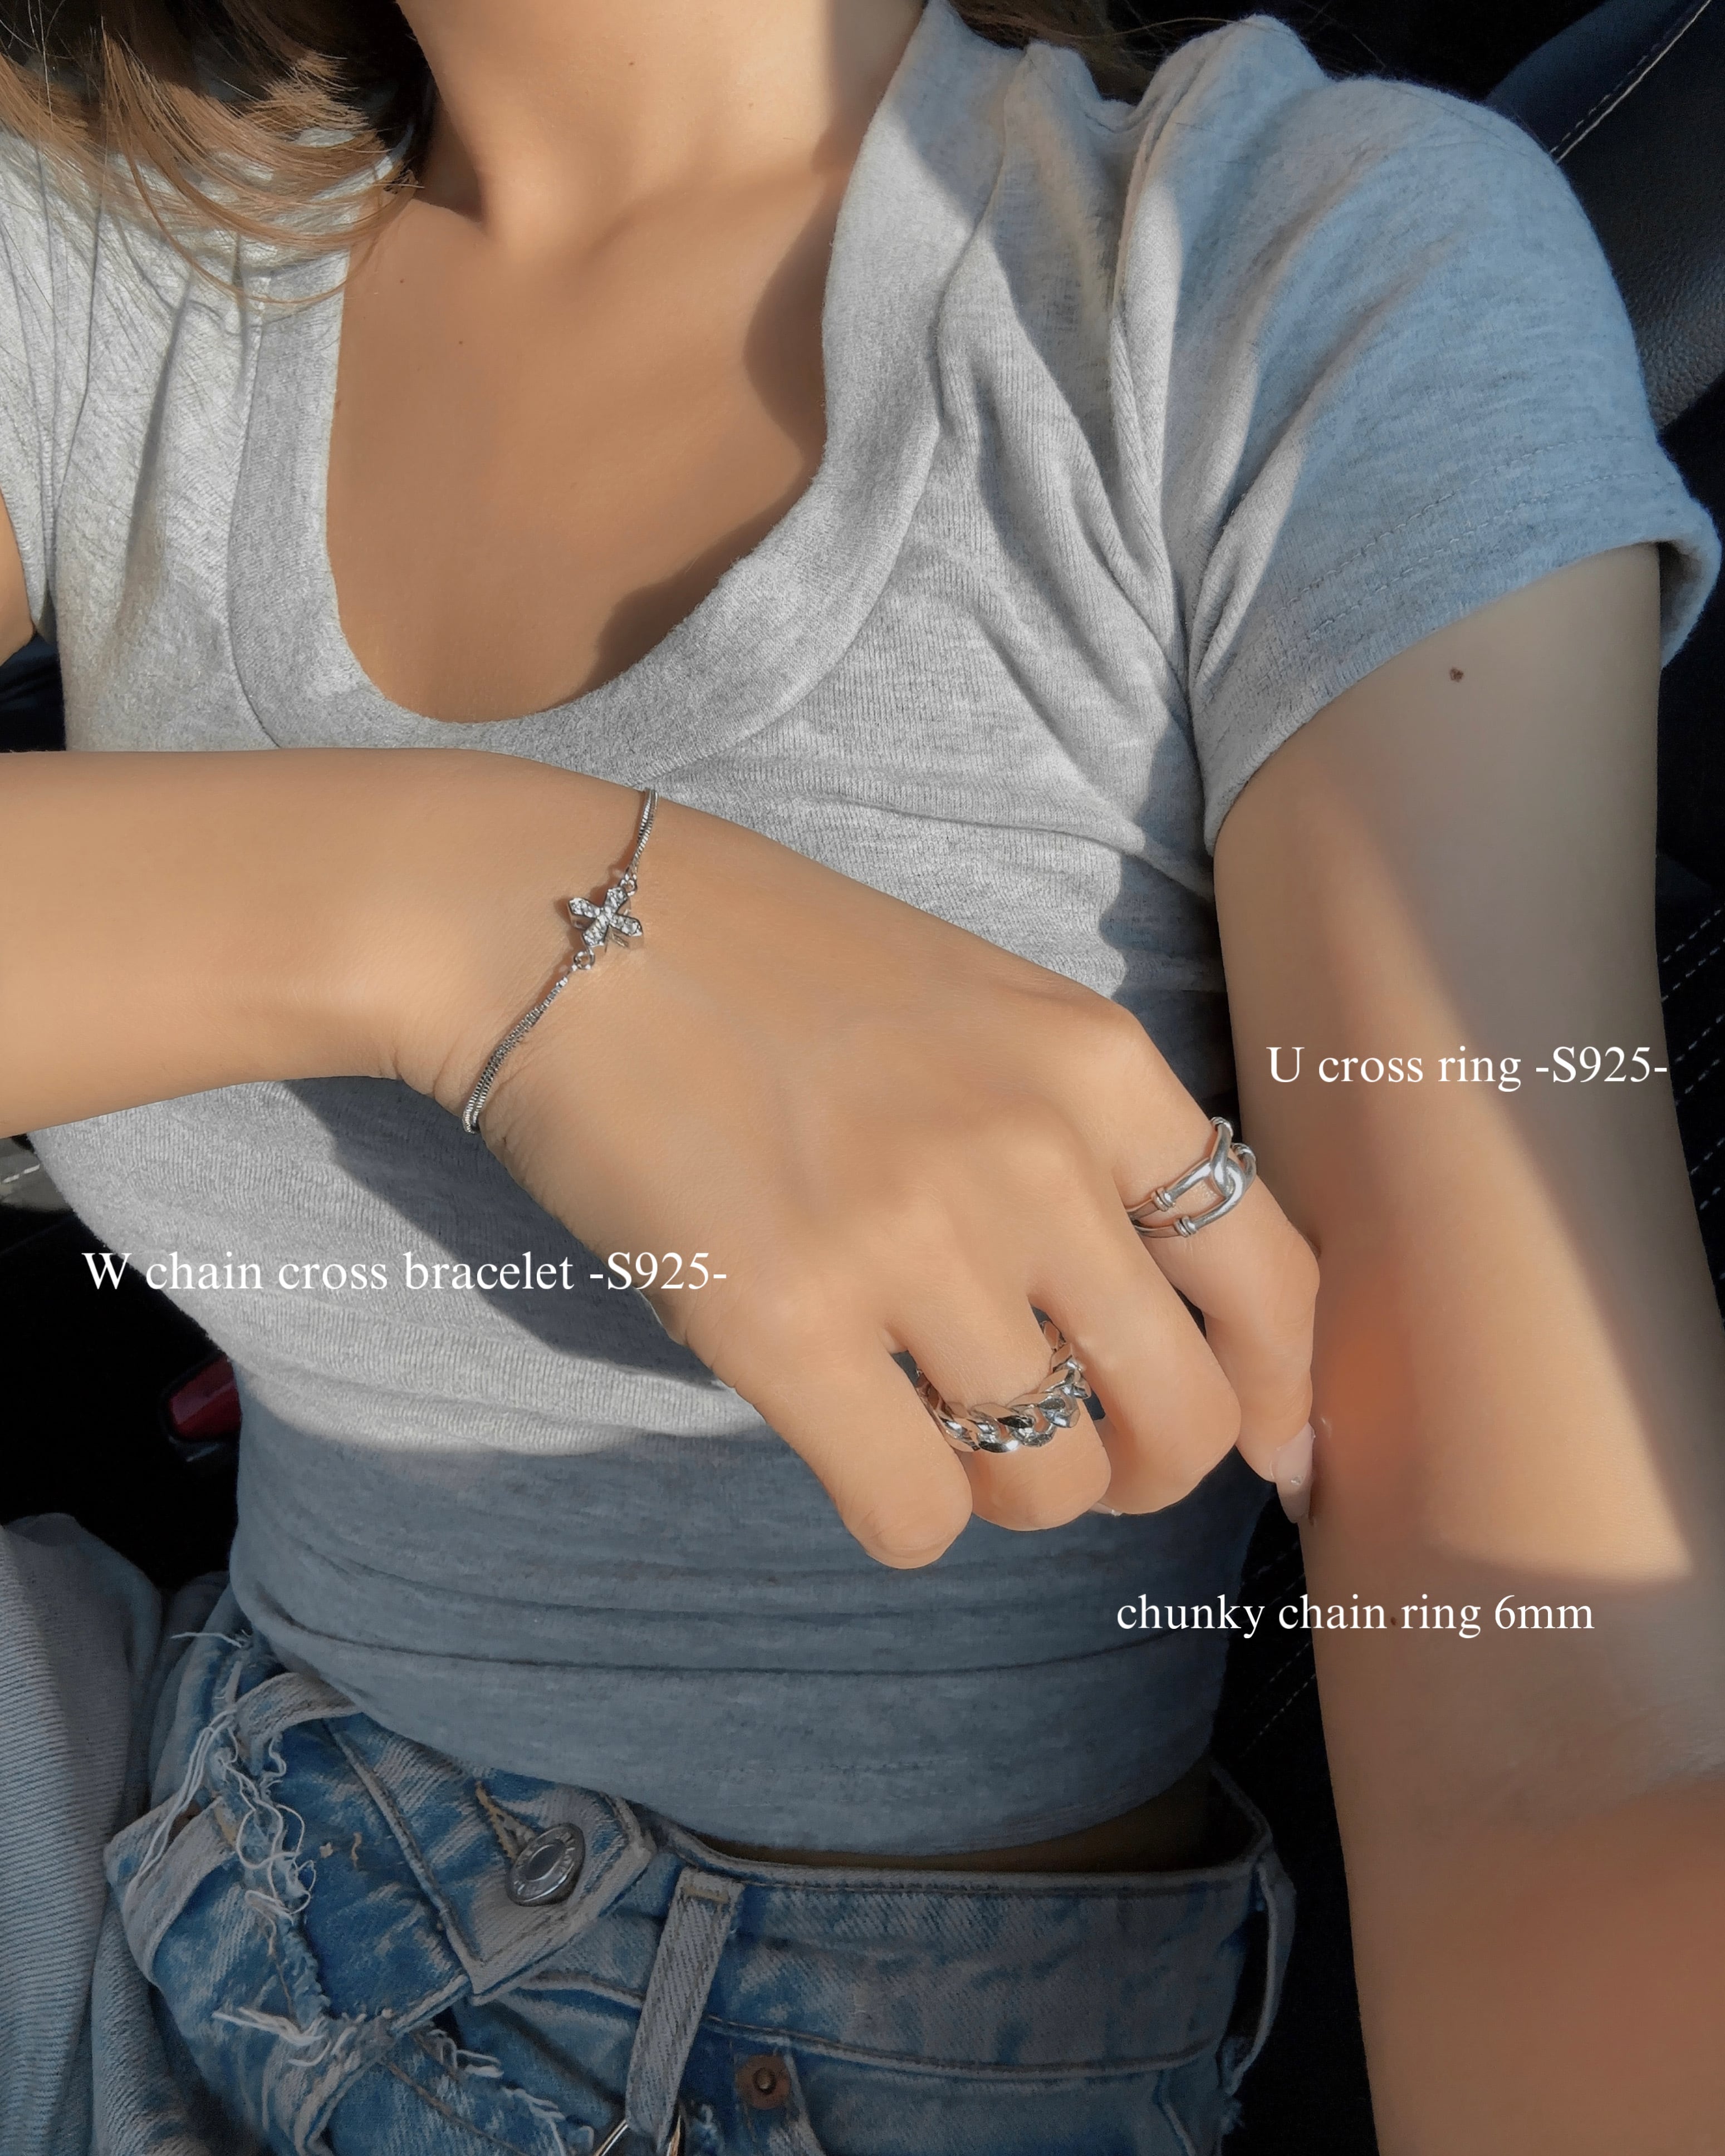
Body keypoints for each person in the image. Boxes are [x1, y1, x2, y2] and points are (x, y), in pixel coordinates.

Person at [1, 0, 1722, 2150]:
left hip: (780, 2069)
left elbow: (1558, 1748)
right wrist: (487, 928)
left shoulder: (1281, 272)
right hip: (179, 1817)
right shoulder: (105, 233)